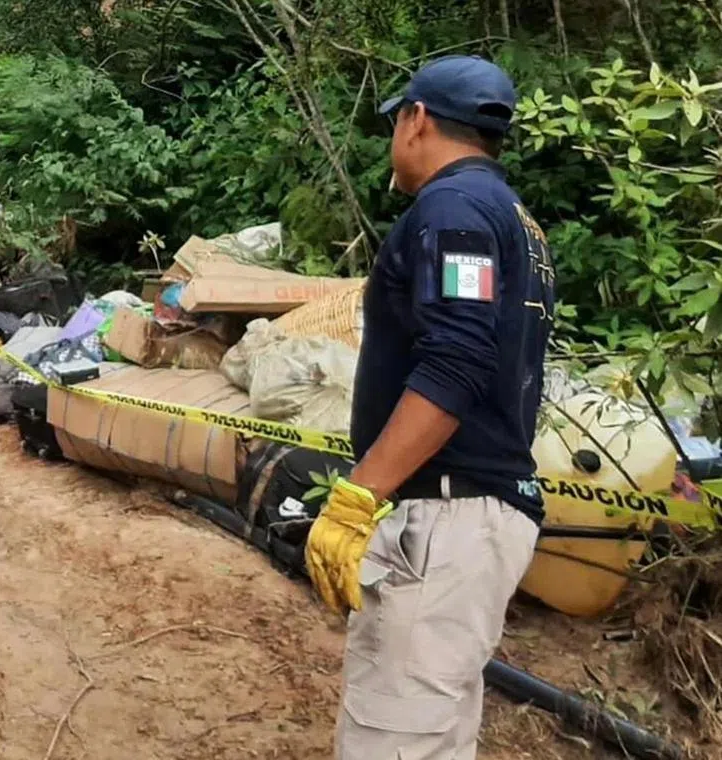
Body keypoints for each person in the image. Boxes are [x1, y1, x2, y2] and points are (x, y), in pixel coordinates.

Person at [303, 56, 555, 760]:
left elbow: (457, 360)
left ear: (415, 119)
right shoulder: (516, 222)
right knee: (434, 737)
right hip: (475, 516)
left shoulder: (452, 210)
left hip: (444, 519)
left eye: (397, 122)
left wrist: (359, 496)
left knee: (394, 739)